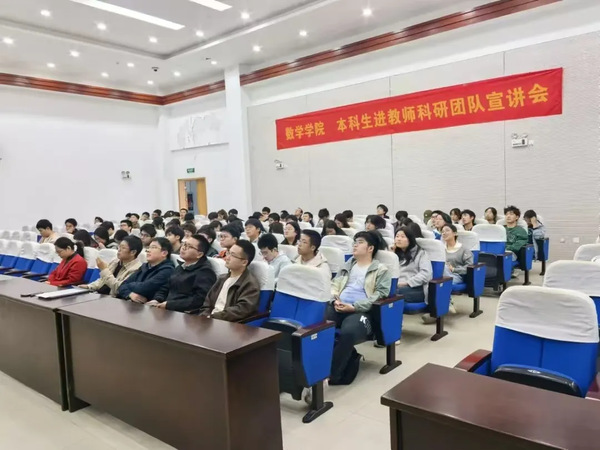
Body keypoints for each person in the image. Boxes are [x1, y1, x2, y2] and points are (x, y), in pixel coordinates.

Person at [327, 231, 391, 385]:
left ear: (370, 248)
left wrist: (354, 306)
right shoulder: (348, 265)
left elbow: (380, 295)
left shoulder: (381, 270)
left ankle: (331, 375)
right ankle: (315, 367)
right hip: (339, 305)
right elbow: (334, 284)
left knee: (348, 332)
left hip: (361, 311)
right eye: (354, 242)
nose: (355, 245)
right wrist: (334, 299)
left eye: (360, 242)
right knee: (315, 325)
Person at [146, 235, 217, 312]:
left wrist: (169, 305)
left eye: (189, 246)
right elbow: (166, 287)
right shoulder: (181, 267)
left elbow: (199, 300)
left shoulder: (205, 272)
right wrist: (157, 300)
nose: (183, 248)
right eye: (184, 244)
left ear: (199, 254)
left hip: (186, 314)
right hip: (168, 309)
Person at [199, 240, 260, 321]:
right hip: (208, 320)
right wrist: (204, 317)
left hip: (227, 323)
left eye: (233, 255)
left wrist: (212, 317)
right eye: (228, 253)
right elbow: (207, 303)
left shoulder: (250, 284)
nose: (227, 258)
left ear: (244, 262)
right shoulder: (221, 278)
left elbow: (241, 310)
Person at [117, 237, 175, 303]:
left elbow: (144, 288)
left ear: (164, 253)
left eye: (153, 247)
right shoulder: (144, 266)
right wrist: (130, 294)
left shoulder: (167, 270)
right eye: (149, 247)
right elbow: (122, 286)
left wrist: (129, 286)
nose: (148, 250)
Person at [394, 227, 432, 305]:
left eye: (402, 237)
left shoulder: (421, 253)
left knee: (394, 292)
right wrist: (391, 253)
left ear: (410, 239)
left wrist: (407, 282)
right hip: (397, 285)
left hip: (415, 288)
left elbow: (426, 274)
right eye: (397, 236)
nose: (399, 239)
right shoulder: (395, 254)